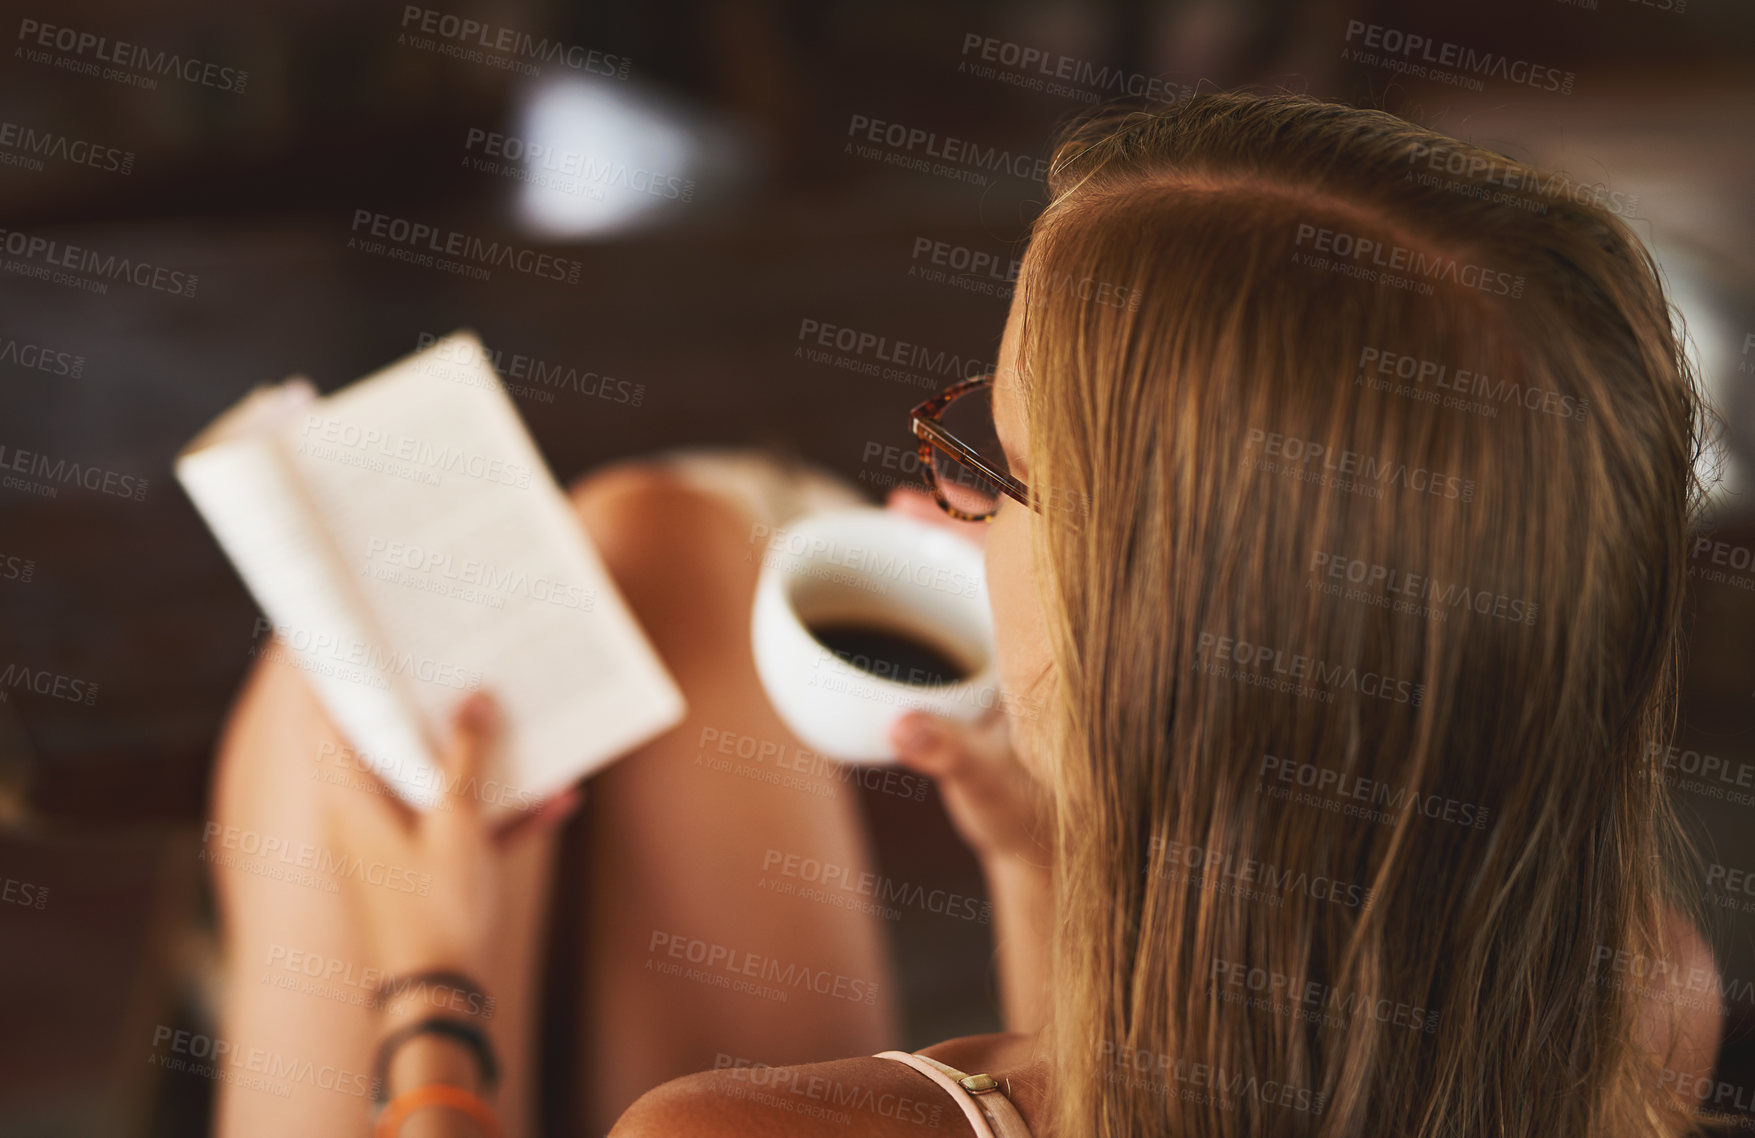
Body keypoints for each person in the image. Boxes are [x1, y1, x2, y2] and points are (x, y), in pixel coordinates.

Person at [208, 92, 1722, 1137]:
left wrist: (435, 997)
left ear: (1150, 639)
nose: (963, 506)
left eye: (1009, 469)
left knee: (328, 716)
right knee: (667, 545)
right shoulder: (1642, 1006)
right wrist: (1036, 862)